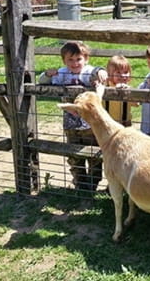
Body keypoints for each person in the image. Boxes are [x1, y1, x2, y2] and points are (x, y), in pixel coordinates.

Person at [39, 40, 107, 191]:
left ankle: (93, 183)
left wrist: (101, 71)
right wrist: (47, 74)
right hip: (71, 123)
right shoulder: (62, 73)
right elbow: (42, 81)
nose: (75, 63)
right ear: (64, 60)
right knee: (74, 153)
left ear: (86, 59)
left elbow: (100, 72)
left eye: (79, 59)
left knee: (94, 152)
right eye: (70, 59)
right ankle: (80, 183)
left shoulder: (89, 72)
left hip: (90, 123)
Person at [102, 55, 133, 127]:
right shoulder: (105, 86)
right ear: (110, 74)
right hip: (108, 122)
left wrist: (128, 92)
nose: (122, 75)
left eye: (125, 72)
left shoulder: (128, 88)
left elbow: (137, 104)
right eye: (118, 72)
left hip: (125, 123)